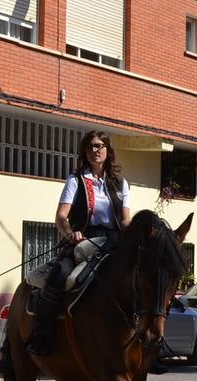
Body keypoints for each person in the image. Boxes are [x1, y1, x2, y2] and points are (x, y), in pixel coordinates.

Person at [26, 131, 133, 357]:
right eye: (91, 147)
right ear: (85, 152)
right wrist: (69, 234)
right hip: (83, 239)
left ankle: (148, 342)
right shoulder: (75, 180)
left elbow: (124, 219)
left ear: (108, 150)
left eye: (100, 146)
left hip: (113, 240)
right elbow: (61, 216)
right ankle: (42, 333)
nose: (96, 150)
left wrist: (134, 235)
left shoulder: (120, 183)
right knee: (59, 274)